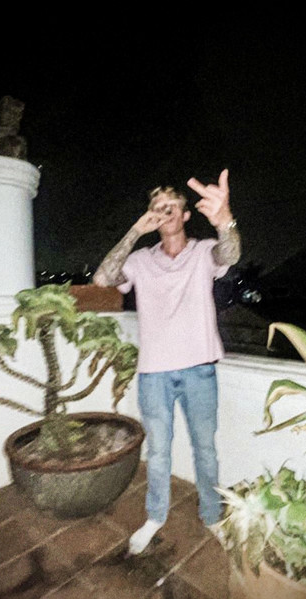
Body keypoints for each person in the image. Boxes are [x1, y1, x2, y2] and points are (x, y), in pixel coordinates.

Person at [93, 169, 241, 555]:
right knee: (158, 452)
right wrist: (134, 231)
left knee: (205, 449)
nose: (166, 212)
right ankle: (155, 516)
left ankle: (212, 515)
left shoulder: (202, 252)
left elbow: (230, 254)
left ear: (186, 215)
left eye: (172, 206)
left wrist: (224, 220)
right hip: (153, 374)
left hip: (199, 368)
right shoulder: (140, 260)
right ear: (152, 216)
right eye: (159, 208)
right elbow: (103, 279)